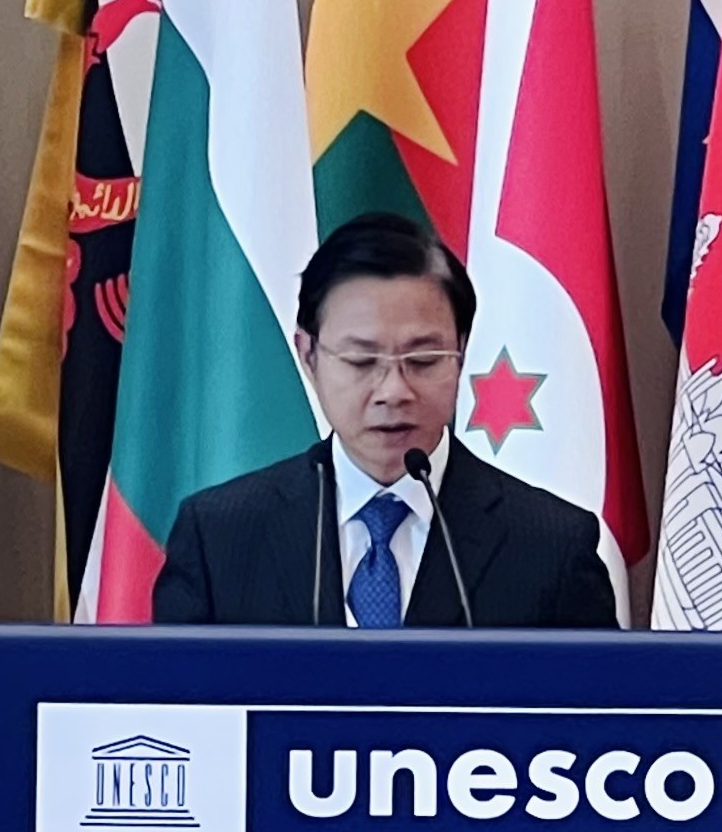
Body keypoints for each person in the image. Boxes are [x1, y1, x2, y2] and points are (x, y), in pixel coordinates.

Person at [151, 211, 621, 629]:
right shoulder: (220, 538)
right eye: (361, 361)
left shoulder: (551, 546)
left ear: (461, 352)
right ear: (309, 356)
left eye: (423, 360)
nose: (394, 392)